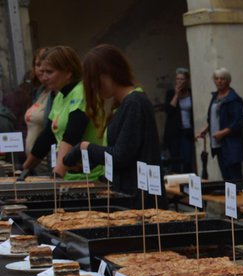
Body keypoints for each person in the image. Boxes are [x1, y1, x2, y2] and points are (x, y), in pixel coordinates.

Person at [63, 44, 160, 202]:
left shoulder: (134, 103)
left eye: (92, 82)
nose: (94, 89)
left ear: (105, 76)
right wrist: (87, 163)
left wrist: (85, 147)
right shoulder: (124, 105)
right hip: (128, 194)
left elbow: (121, 156)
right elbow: (120, 151)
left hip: (140, 200)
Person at [18, 45, 104, 180]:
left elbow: (72, 135)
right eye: (43, 71)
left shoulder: (82, 92)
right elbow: (48, 135)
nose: (44, 77)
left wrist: (57, 174)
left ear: (68, 72)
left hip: (88, 178)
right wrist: (25, 168)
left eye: (49, 72)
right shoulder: (59, 95)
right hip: (68, 177)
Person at [196, 68, 243, 181]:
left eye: (222, 79)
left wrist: (222, 133)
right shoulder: (215, 97)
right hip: (218, 144)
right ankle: (229, 198)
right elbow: (214, 117)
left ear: (227, 80)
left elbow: (237, 122)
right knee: (225, 177)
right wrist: (206, 129)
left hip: (230, 144)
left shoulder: (233, 99)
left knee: (234, 178)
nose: (219, 81)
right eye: (216, 79)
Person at [163, 67, 195, 174]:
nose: (179, 82)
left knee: (187, 159)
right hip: (174, 132)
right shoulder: (170, 93)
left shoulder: (191, 93)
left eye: (182, 79)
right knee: (175, 160)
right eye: (177, 79)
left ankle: (188, 185)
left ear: (187, 81)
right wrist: (176, 94)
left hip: (187, 131)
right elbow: (169, 111)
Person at [24, 48, 52, 159]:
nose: (41, 69)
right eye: (38, 65)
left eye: (48, 68)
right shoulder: (40, 92)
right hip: (35, 162)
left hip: (48, 160)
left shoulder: (56, 93)